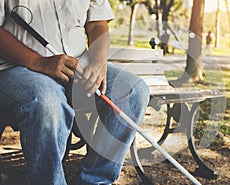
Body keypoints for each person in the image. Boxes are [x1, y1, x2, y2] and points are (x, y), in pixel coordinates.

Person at [0, 1, 149, 185]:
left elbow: (97, 23)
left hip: (77, 65)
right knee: (48, 102)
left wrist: (98, 61)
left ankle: (95, 181)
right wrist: (38, 62)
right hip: (19, 67)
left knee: (133, 90)